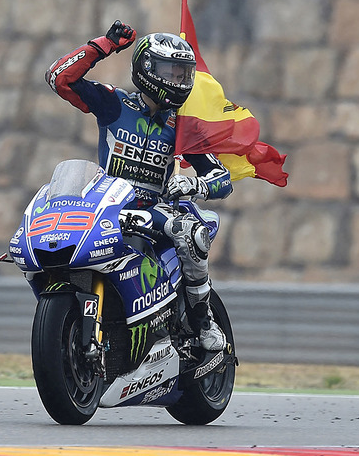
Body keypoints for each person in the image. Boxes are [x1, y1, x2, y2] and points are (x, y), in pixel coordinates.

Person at [45, 20, 231, 351]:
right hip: (106, 204)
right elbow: (60, 78)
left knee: (191, 233)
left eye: (183, 73)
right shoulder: (114, 103)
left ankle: (202, 324)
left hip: (153, 209)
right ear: (147, 68)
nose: (179, 80)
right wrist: (104, 44)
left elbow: (222, 179)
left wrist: (194, 185)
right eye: (171, 71)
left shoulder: (181, 126)